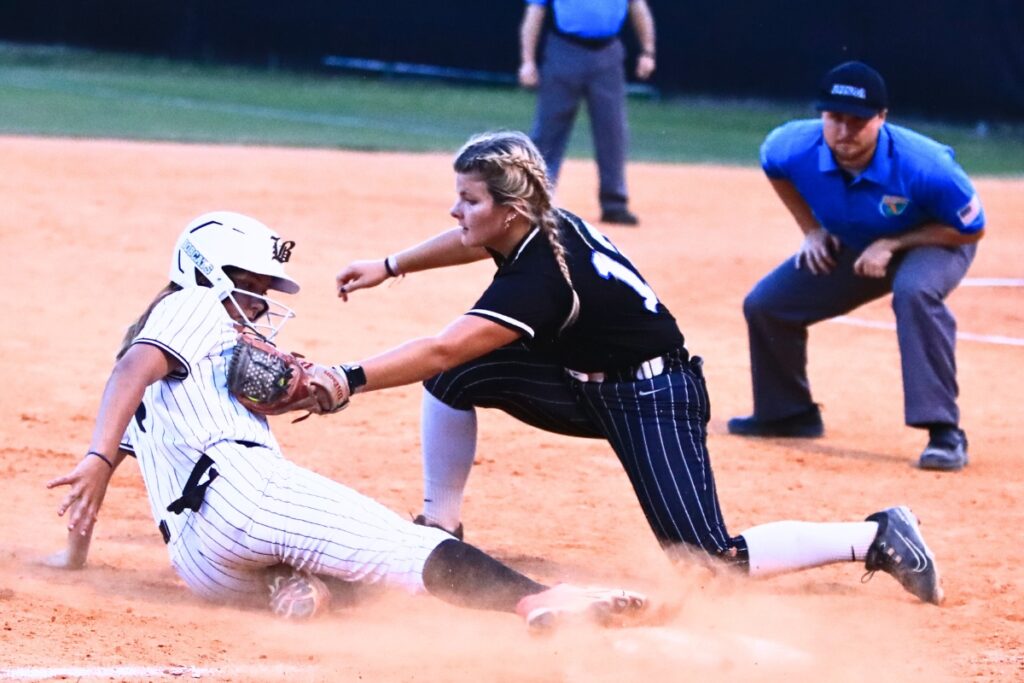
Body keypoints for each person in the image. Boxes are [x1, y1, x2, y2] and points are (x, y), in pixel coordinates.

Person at [334, 130, 945, 605]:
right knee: (456, 380)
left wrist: (346, 378)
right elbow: (470, 243)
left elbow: (444, 346)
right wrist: (390, 264)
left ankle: (875, 535)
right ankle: (439, 526)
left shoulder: (543, 277)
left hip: (655, 397)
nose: (455, 211)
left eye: (469, 199)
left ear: (512, 208)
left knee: (707, 562)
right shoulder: (542, 221)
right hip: (581, 381)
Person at [45, 210, 649, 628]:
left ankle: (295, 583)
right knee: (409, 547)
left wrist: (71, 556)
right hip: (248, 495)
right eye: (252, 286)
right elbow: (135, 366)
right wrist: (99, 458)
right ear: (208, 273)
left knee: (359, 579)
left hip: (203, 567)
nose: (260, 302)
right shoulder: (193, 303)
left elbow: (114, 420)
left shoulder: (166, 368)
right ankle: (544, 602)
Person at [726, 61, 985, 472]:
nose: (844, 131)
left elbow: (971, 228)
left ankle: (945, 433)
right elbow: (775, 171)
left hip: (935, 240)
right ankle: (788, 413)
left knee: (914, 291)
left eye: (858, 121)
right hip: (857, 242)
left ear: (881, 118)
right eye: (834, 118)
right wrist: (811, 230)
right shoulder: (790, 146)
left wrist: (895, 242)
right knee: (767, 305)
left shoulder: (927, 165)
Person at [518, 0, 656, 226]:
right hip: (564, 49)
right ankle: (535, 199)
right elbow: (535, 12)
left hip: (608, 52)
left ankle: (614, 203)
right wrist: (527, 61)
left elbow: (638, 7)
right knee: (549, 129)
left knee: (612, 131)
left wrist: (648, 51)